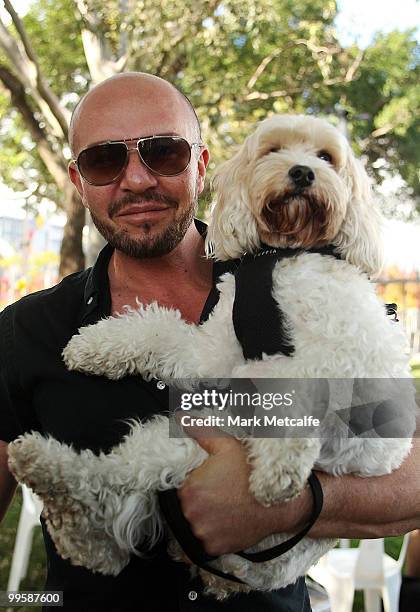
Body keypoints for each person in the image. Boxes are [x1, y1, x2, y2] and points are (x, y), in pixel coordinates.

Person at [0, 72, 419, 612]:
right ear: (79, 181)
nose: (135, 180)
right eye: (105, 161)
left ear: (199, 166)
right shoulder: (26, 334)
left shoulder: (301, 286)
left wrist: (294, 505)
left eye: (163, 152)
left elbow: (398, 445)